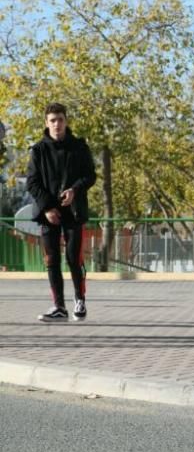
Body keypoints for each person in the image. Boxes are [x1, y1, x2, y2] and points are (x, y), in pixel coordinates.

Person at [27, 103, 97, 322]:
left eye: (61, 119)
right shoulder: (38, 150)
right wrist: (47, 207)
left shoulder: (79, 146)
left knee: (73, 258)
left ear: (66, 121)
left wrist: (74, 191)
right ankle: (59, 307)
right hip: (49, 214)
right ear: (46, 123)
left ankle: (80, 301)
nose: (57, 124)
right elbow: (32, 182)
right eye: (53, 120)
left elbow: (90, 175)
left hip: (73, 211)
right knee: (51, 260)